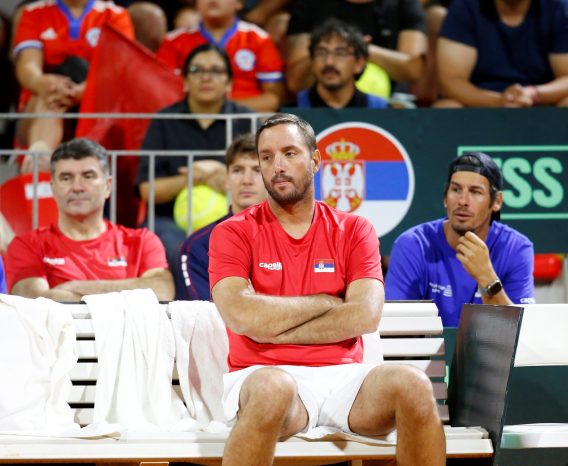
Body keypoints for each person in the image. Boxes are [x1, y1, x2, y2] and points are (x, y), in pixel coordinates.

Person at [209, 113, 445, 466]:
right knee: (272, 390)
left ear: (316, 160)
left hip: (346, 379)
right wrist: (325, 302)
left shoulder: (355, 229)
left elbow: (365, 315)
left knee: (414, 384)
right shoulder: (233, 232)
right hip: (264, 373)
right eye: (267, 157)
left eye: (290, 153)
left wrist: (270, 329)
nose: (277, 166)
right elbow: (241, 316)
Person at [137, 43, 252, 300]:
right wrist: (193, 178)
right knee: (177, 246)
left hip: (236, 215)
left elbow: (264, 180)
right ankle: (187, 312)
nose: (206, 77)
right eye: (197, 70)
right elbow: (148, 190)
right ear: (185, 80)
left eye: (215, 71)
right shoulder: (164, 121)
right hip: (170, 220)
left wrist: (226, 179)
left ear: (229, 82)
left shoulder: (247, 120)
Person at [5, 138, 174, 301]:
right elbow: (34, 302)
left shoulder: (142, 241)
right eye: (66, 178)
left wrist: (72, 287)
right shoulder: (27, 245)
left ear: (108, 186)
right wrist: (127, 294)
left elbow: (162, 290)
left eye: (88, 176)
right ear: (53, 188)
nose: (77, 187)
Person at [385, 152, 535, 326]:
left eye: (475, 192)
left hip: (489, 345)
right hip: (428, 344)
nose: (463, 201)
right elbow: (394, 326)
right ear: (445, 198)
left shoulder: (516, 249)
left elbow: (522, 331)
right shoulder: (412, 245)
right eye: (456, 190)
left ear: (497, 202)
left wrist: (487, 278)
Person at [12, 0, 134, 170]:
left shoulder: (115, 15)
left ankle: (49, 164)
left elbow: (117, 69)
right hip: (43, 103)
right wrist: (43, 84)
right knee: (51, 97)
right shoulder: (34, 12)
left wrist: (82, 91)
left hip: (96, 103)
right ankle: (40, 165)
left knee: (75, 74)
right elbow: (28, 64)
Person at [436, 0, 568, 108]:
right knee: (447, 108)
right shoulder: (464, 7)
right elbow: (451, 81)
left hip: (541, 102)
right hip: (480, 103)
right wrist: (499, 101)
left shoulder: (560, 9)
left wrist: (533, 94)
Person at [179, 133, 266, 300]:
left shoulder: (289, 234)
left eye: (257, 170)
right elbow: (204, 309)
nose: (246, 180)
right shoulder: (197, 245)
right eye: (237, 170)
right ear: (226, 180)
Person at [157, 0, 284, 112]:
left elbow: (274, 98)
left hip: (244, 118)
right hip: (190, 120)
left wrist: (224, 109)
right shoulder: (173, 41)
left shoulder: (259, 39)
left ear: (239, 3)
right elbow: (163, 94)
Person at [284, 0, 428, 96]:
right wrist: (330, 52)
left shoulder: (404, 3)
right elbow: (295, 81)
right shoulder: (310, 4)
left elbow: (414, 68)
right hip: (319, 103)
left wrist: (360, 48)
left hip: (390, 102)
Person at [297, 18, 389, 108]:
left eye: (340, 53)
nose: (329, 62)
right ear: (312, 61)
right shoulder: (295, 110)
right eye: (322, 53)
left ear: (359, 63)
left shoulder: (380, 109)